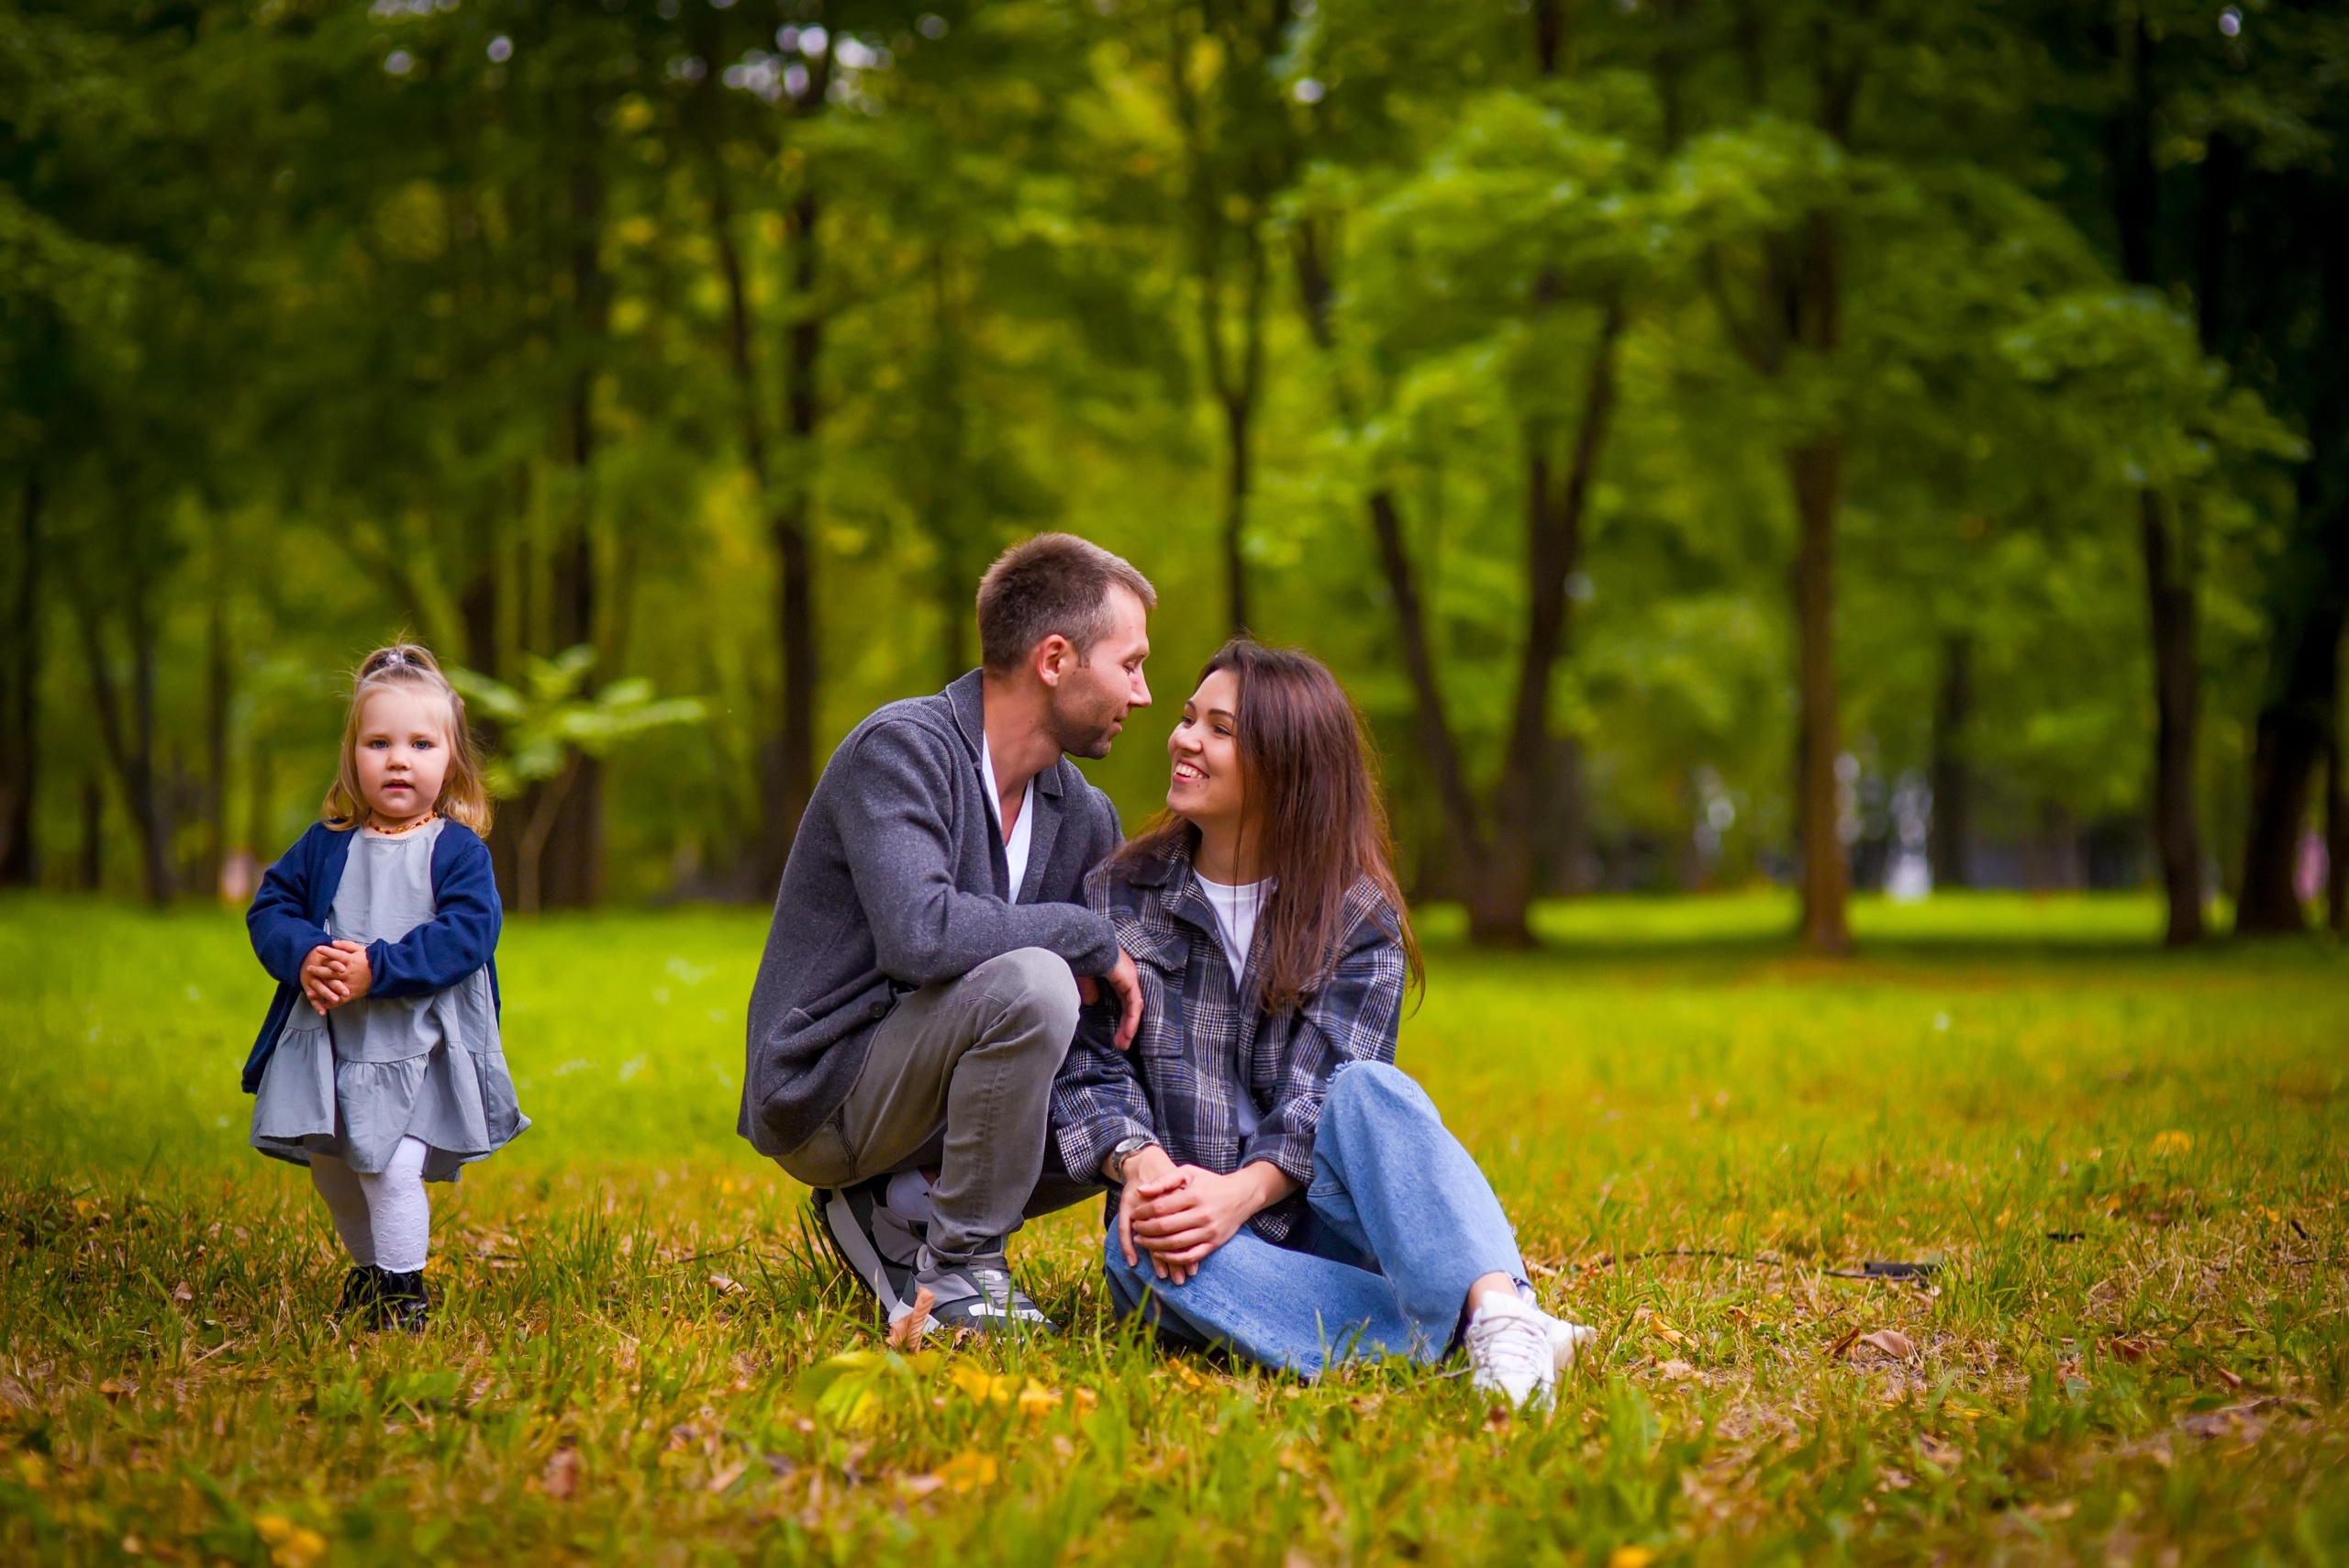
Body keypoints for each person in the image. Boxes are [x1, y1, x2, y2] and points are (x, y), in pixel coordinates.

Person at [1052, 639, 1597, 1407]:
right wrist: (1141, 1168)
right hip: (1193, 1248)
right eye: (1185, 719)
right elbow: (1085, 1069)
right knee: (1135, 1249)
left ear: (1286, 766)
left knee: (1370, 1088)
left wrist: (1239, 1192)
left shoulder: (1356, 914)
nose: (1183, 739)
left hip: (1324, 1225)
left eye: (1219, 728)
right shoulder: (1118, 894)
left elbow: (1322, 1096)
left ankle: (1495, 1315)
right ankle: (1482, 1324)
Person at [740, 533, 1153, 1335]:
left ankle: (896, 1208)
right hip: (827, 1092)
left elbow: (1105, 1012)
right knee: (1035, 980)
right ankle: (958, 1265)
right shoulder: (901, 750)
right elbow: (919, 936)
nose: (1142, 694)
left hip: (935, 1097)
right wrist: (1083, 935)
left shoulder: (1085, 814)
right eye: (1130, 664)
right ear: (1056, 658)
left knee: (1143, 1056)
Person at [242, 644, 526, 1332]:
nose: (399, 759)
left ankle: (405, 1293)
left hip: (420, 1039)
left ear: (450, 760)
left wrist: (379, 967)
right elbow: (270, 908)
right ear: (353, 758)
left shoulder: (457, 850)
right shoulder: (327, 843)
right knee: (333, 1167)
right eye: (379, 742)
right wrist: (306, 953)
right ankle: (371, 1273)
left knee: (393, 1165)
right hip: (339, 1039)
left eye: (421, 743)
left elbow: (468, 935)